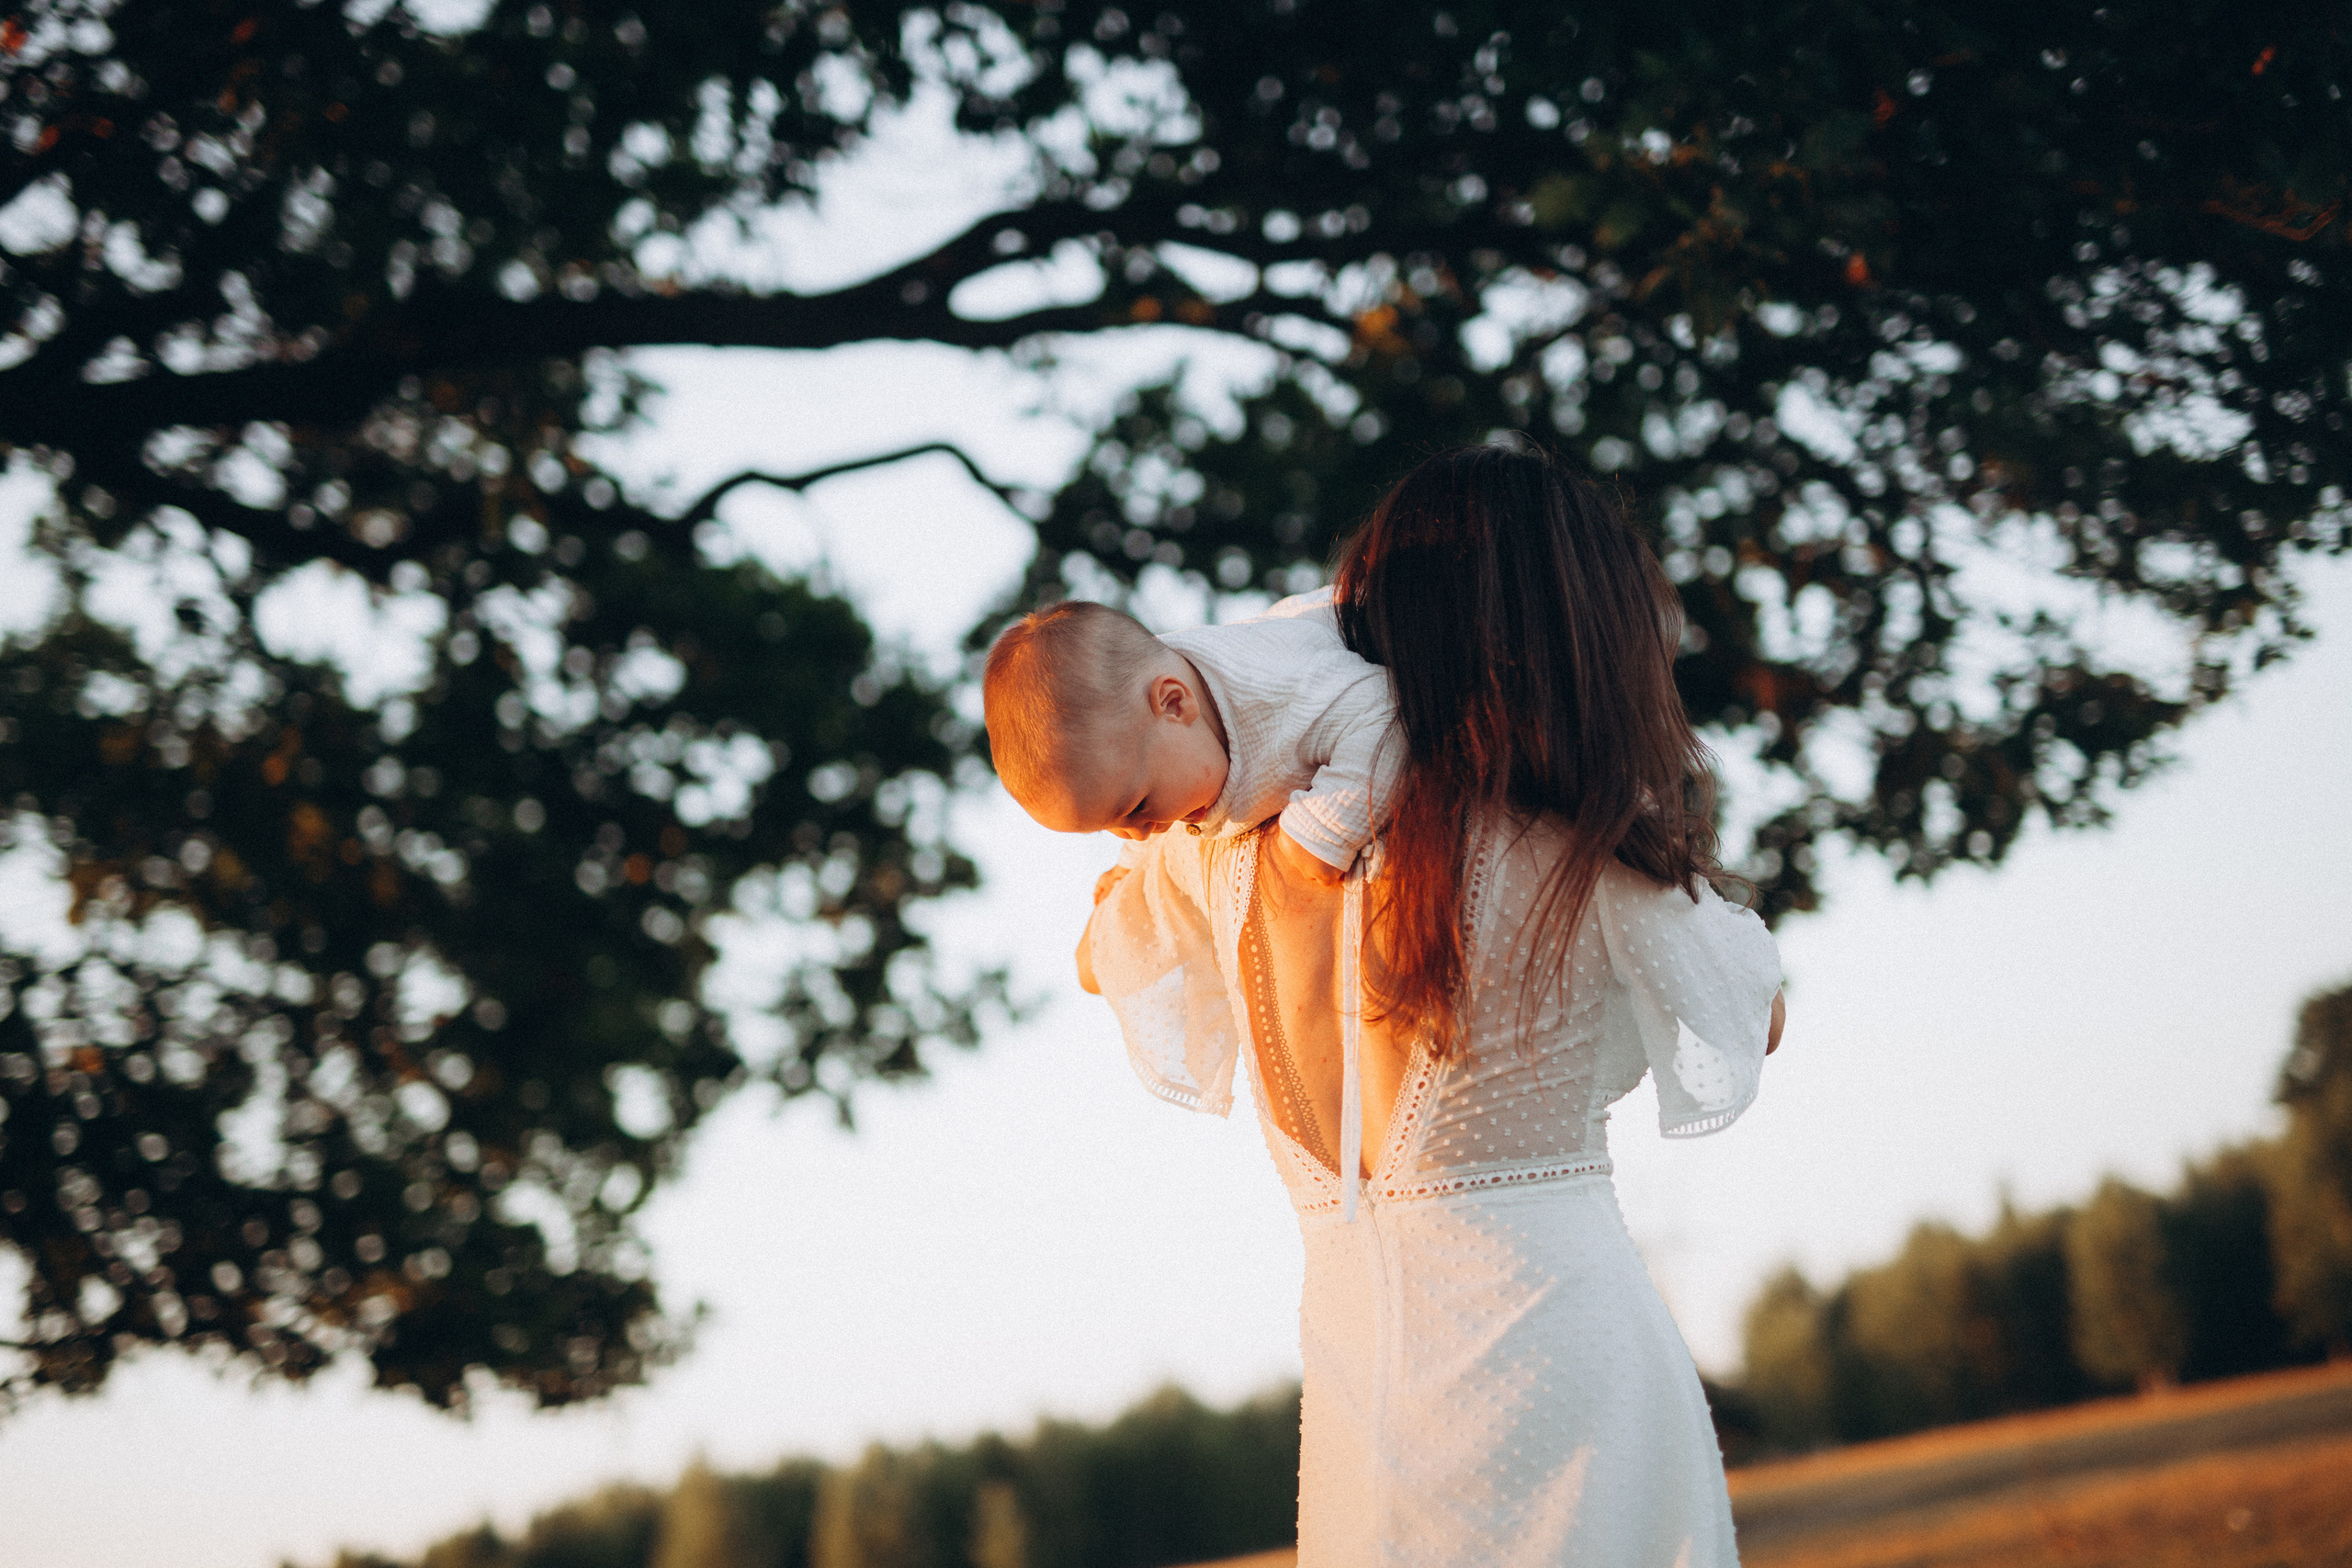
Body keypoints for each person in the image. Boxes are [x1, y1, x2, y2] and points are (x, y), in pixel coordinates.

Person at [1079, 445, 1785, 1566]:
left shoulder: (1215, 851)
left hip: (1363, 1403)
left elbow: (1104, 957)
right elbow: (1748, 1012)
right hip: (1562, 1370)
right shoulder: (1581, 851)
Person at [984, 588, 1394, 949]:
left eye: (1138, 807)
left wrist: (1325, 829)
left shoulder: (1285, 696)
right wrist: (1128, 866)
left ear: (1176, 704)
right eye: (1112, 826)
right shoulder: (1144, 734)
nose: (1141, 834)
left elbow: (1384, 711)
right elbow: (1130, 797)